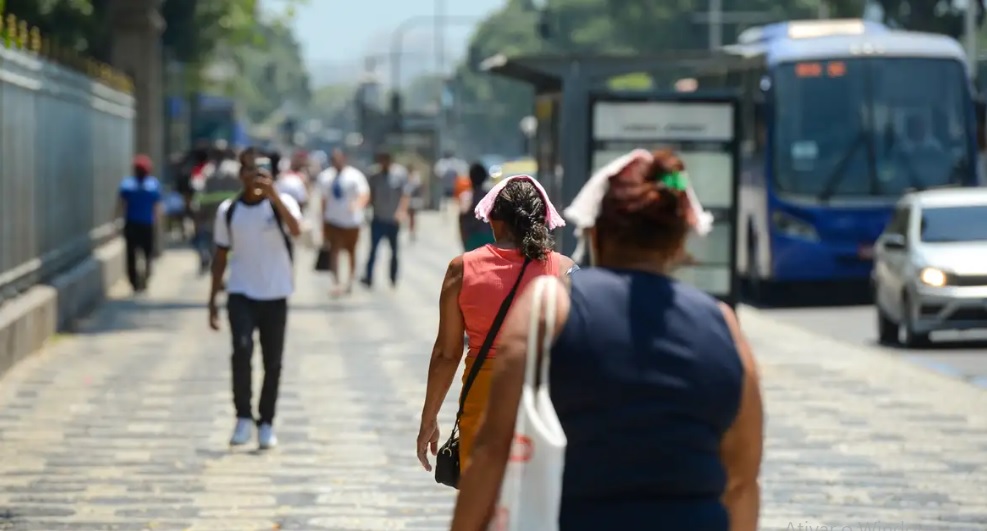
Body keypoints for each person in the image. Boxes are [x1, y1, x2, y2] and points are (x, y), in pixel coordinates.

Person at [449, 149, 763, 531]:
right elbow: (742, 481)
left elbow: (491, 452)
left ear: (595, 233)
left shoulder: (548, 310)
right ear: (680, 243)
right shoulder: (724, 326)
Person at [416, 174, 575, 478]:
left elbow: (446, 354)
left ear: (495, 220)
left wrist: (429, 419)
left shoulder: (461, 269)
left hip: (483, 403)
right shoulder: (565, 270)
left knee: (484, 504)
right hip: (544, 404)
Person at [208, 147, 303, 450]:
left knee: (272, 362)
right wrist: (212, 299)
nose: (255, 176)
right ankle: (243, 417)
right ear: (240, 174)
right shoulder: (229, 210)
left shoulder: (282, 203)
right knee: (241, 351)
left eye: (261, 170)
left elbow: (297, 230)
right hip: (241, 293)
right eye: (249, 169)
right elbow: (220, 255)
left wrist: (274, 195)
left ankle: (266, 422)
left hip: (275, 294)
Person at [318, 148, 370, 296]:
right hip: (333, 220)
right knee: (334, 251)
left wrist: (357, 205)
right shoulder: (325, 177)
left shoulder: (355, 176)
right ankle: (336, 282)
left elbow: (364, 194)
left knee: (351, 252)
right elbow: (323, 201)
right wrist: (322, 222)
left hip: (352, 222)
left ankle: (350, 280)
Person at [361, 151, 412, 289]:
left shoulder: (400, 174)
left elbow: (405, 195)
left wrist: (401, 212)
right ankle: (368, 277)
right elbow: (370, 195)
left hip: (392, 220)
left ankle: (393, 277)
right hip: (378, 217)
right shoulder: (374, 175)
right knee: (373, 250)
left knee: (394, 251)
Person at [117, 154, 162, 293]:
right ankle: (145, 276)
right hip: (147, 224)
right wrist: (158, 224)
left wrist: (116, 221)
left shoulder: (127, 185)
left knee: (131, 254)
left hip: (132, 224)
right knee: (147, 253)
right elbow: (157, 207)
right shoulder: (153, 185)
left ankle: (134, 281)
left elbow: (121, 205)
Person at [459, 163, 497, 251]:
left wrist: (464, 239)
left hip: (472, 239)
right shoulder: (490, 196)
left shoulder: (466, 197)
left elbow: (462, 216)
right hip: (490, 238)